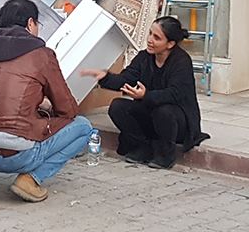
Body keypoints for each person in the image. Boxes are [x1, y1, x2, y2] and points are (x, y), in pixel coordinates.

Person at [0, 0, 92, 203]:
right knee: (83, 127)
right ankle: (29, 180)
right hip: (16, 157)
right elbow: (68, 109)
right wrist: (45, 107)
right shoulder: (42, 54)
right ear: (30, 24)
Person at [81, 16, 210, 169]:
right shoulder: (144, 57)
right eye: (150, 34)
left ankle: (166, 155)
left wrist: (145, 96)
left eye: (156, 37)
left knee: (164, 111)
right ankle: (142, 148)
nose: (150, 40)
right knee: (118, 106)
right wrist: (105, 77)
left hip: (176, 121)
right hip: (152, 115)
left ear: (170, 44)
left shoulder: (181, 61)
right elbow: (126, 78)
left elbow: (175, 94)